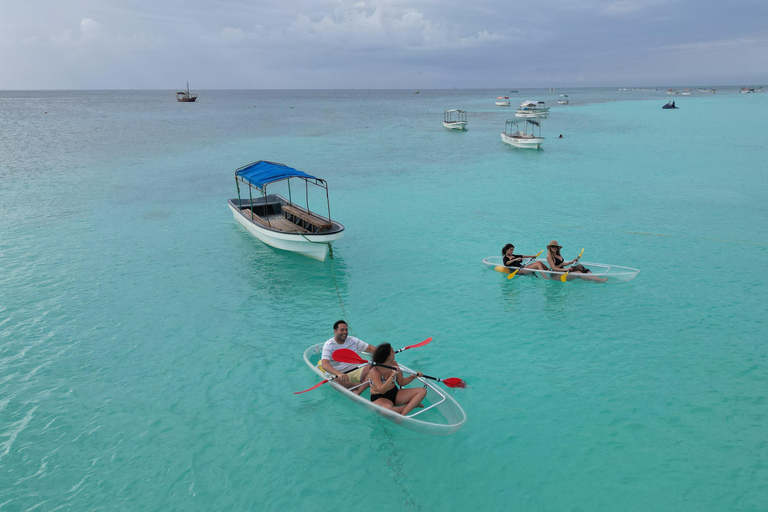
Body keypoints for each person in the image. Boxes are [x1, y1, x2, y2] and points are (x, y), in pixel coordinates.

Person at [368, 343, 427, 416]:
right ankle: (412, 405)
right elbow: (382, 390)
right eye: (392, 352)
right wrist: (393, 375)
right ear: (387, 356)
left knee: (422, 391)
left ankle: (403, 415)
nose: (394, 353)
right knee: (387, 411)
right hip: (380, 397)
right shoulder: (375, 370)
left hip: (395, 393)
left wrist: (413, 376)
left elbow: (401, 382)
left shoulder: (394, 363)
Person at [320, 320, 375, 394]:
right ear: (335, 331)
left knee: (374, 368)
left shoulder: (353, 340)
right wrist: (338, 374)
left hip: (355, 370)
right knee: (336, 381)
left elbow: (370, 349)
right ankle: (362, 385)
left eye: (346, 330)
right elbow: (325, 365)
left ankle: (359, 389)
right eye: (342, 330)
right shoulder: (329, 345)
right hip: (338, 374)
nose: (345, 332)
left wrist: (384, 354)